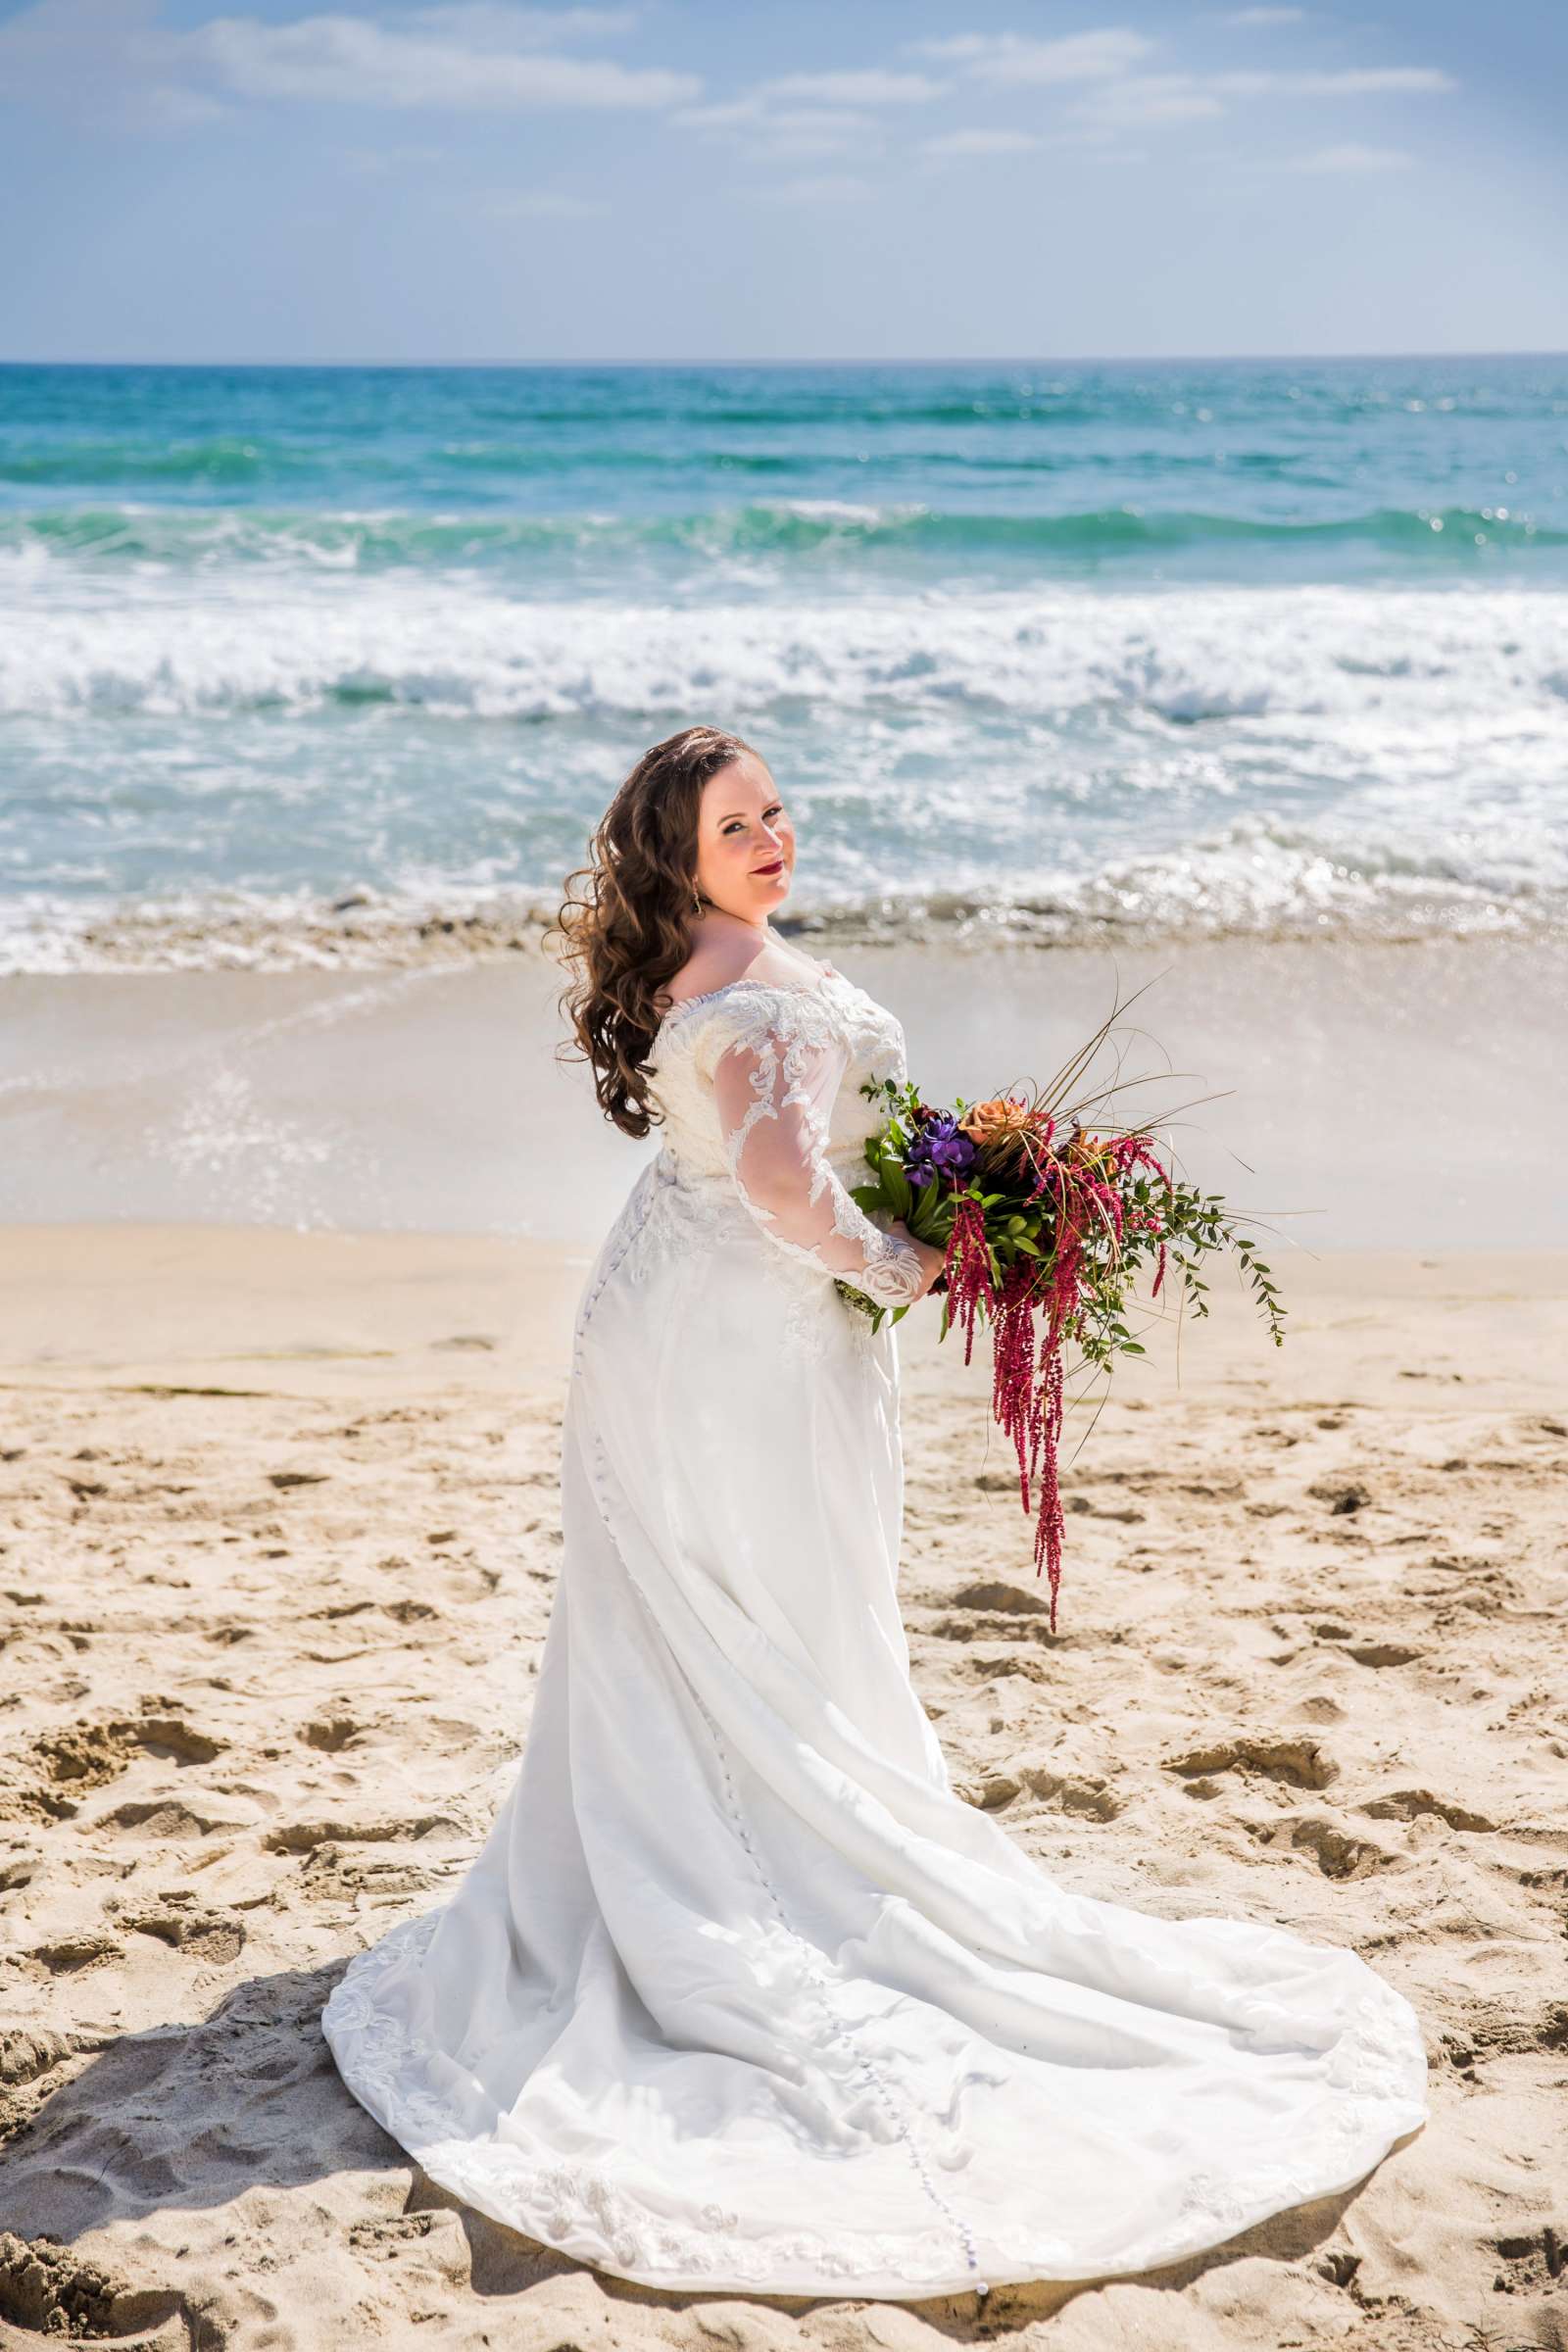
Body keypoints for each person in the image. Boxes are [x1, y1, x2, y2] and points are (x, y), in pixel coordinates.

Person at [321, 723, 1429, 2302]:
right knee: (760, 1606)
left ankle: (704, 1839)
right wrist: (910, 1263)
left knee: (697, 1610)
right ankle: (748, 1866)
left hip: (670, 1311)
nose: (773, 837)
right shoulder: (756, 992)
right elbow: (783, 1182)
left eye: (776, 811)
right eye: (735, 825)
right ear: (675, 854)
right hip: (740, 1344)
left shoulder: (705, 965)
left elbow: (770, 1157)